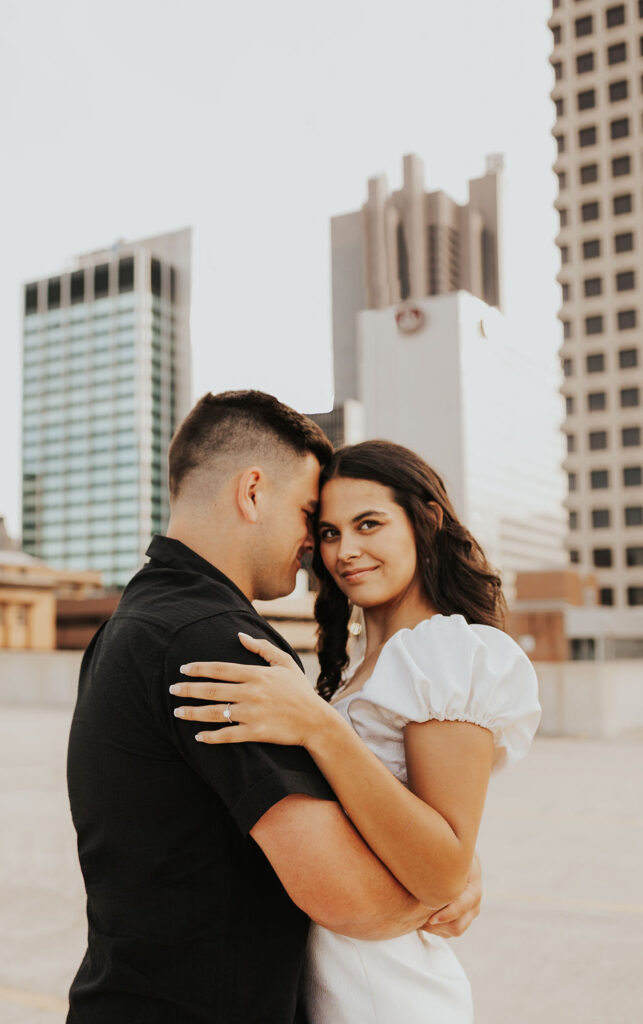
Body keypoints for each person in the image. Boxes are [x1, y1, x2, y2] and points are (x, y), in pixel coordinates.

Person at [66, 392, 481, 1024]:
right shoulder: (213, 642)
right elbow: (347, 899)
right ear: (253, 492)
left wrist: (450, 854)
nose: (317, 546)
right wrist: (439, 891)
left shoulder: (134, 623)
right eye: (311, 515)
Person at [170, 438, 542, 1023]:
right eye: (330, 532)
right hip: (326, 984)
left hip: (389, 995)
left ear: (426, 520)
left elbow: (442, 867)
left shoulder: (444, 653)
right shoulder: (360, 666)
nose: (346, 551)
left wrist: (321, 728)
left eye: (369, 524)